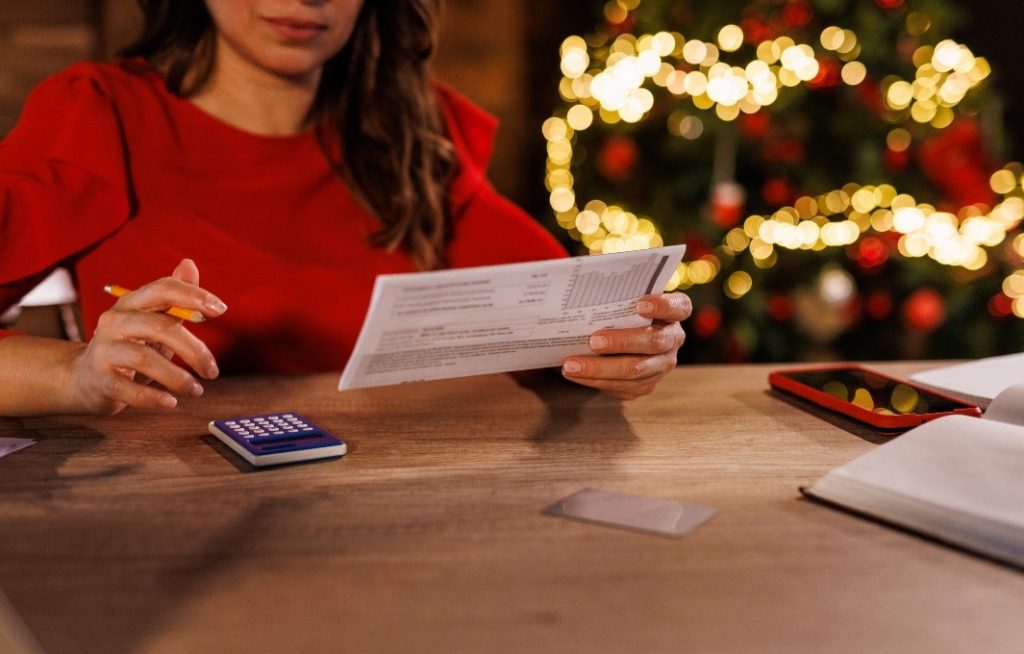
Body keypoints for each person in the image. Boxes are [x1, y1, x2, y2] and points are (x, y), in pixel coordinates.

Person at [0, 0, 692, 417]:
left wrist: (631, 351)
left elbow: (580, 316)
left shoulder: (412, 133)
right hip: (166, 545)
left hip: (385, 528)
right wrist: (76, 374)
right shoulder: (95, 114)